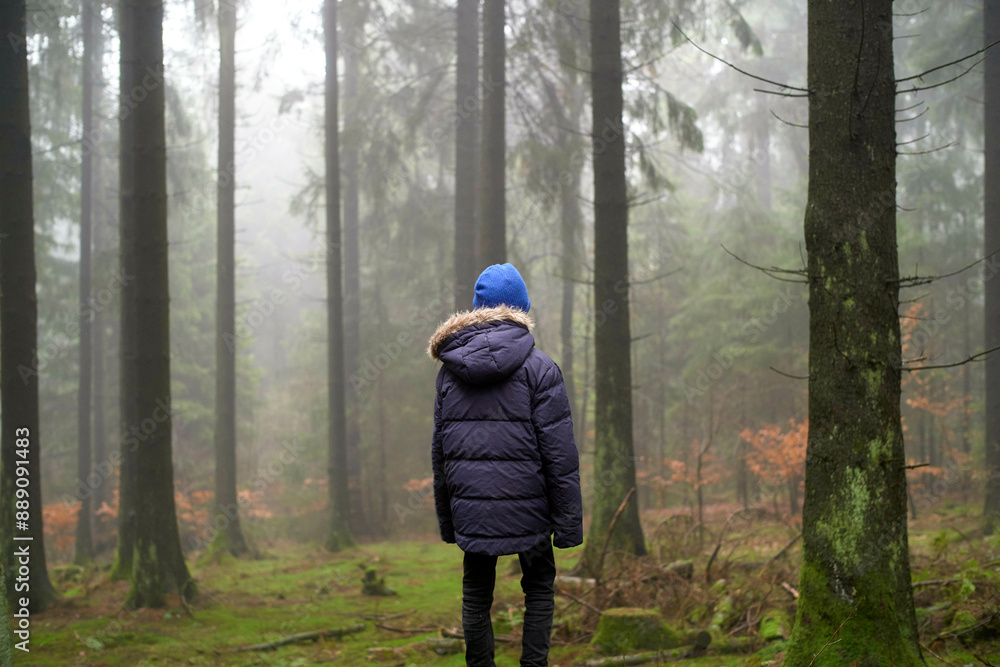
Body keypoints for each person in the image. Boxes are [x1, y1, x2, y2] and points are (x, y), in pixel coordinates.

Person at [427, 263, 583, 667]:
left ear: (478, 309)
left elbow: (440, 455)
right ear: (521, 308)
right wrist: (567, 526)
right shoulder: (541, 369)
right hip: (531, 509)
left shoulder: (449, 374)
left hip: (472, 509)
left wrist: (449, 521)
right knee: (539, 587)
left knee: (476, 593)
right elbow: (560, 455)